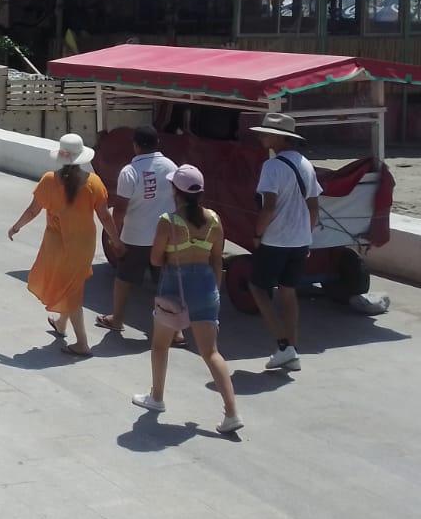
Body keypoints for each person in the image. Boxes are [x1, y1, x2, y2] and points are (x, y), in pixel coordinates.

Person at [132, 165, 243, 433]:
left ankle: (156, 397)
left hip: (174, 286)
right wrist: (214, 289)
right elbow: (217, 260)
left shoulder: (168, 221)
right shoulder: (214, 220)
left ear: (175, 191)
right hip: (205, 286)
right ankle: (231, 412)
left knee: (160, 345)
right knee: (211, 352)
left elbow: (156, 259)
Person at [7, 134, 123, 356]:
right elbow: (105, 217)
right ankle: (61, 324)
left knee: (71, 291)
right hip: (83, 243)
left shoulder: (49, 180)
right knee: (72, 285)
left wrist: (16, 226)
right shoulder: (93, 182)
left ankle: (82, 344)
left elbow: (33, 210)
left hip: (57, 244)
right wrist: (116, 241)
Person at [248, 112, 321, 373]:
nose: (261, 137)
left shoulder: (272, 167)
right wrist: (308, 236)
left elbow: (268, 207)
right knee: (288, 292)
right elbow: (314, 207)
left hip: (276, 239)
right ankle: (293, 348)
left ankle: (283, 345)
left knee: (258, 288)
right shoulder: (306, 164)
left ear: (279, 138)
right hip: (300, 239)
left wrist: (257, 233)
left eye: (265, 133)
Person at [96, 124, 178, 336]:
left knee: (124, 280)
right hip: (164, 236)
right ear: (157, 143)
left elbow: (120, 210)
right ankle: (176, 332)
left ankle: (117, 319)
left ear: (135, 146)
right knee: (165, 285)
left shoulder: (130, 172)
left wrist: (116, 240)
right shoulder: (171, 167)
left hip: (135, 238)